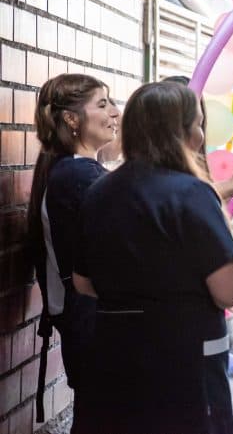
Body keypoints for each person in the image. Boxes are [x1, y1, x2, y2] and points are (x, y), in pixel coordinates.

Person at [72, 81, 233, 434]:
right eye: (198, 124)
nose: (201, 134)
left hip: (113, 354)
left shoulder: (99, 191)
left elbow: (83, 282)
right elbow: (230, 291)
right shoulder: (192, 193)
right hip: (183, 359)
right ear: (184, 133)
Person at [26, 73, 120, 426]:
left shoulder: (72, 171)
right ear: (71, 119)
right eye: (103, 104)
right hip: (92, 321)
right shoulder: (79, 176)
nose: (114, 112)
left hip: (87, 320)